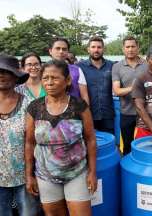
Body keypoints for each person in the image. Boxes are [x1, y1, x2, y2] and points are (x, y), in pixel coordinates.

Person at [25, 60, 97, 216]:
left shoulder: (79, 106)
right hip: (45, 176)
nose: (49, 82)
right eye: (45, 78)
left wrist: (92, 172)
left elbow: (91, 139)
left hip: (76, 173)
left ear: (68, 80)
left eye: (55, 78)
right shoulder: (34, 108)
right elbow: (30, 143)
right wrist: (29, 175)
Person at [0, 54, 39, 216]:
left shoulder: (28, 103)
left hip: (23, 176)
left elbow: (31, 142)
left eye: (6, 72)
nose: (2, 75)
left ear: (16, 77)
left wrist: (30, 175)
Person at [112, 36, 148, 155]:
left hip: (145, 112)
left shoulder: (147, 64)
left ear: (138, 48)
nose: (130, 49)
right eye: (127, 47)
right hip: (126, 112)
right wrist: (134, 87)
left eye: (133, 46)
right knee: (127, 145)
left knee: (145, 144)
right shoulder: (117, 66)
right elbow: (117, 91)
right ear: (123, 49)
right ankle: (128, 169)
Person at [78, 36, 115, 134]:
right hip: (88, 114)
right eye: (93, 47)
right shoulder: (79, 67)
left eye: (99, 47)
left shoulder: (112, 66)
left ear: (103, 49)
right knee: (90, 144)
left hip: (108, 115)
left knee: (109, 142)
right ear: (88, 49)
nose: (96, 50)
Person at [49, 37, 89, 105]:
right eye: (57, 48)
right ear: (50, 51)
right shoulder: (43, 70)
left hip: (74, 112)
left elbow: (84, 96)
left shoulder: (77, 70)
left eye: (64, 49)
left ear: (67, 52)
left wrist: (86, 113)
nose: (61, 51)